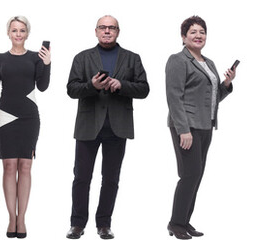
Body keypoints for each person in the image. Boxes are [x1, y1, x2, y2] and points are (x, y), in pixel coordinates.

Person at [65, 15, 150, 240]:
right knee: (81, 177)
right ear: (95, 31)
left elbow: (144, 89)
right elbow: (71, 89)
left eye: (111, 28)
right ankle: (77, 224)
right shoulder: (82, 58)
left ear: (118, 32)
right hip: (88, 125)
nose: (107, 31)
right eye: (103, 27)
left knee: (111, 178)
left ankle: (104, 224)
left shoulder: (132, 58)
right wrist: (91, 86)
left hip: (117, 126)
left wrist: (122, 85)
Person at [165, 15, 236, 240]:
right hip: (186, 126)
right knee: (189, 174)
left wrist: (225, 84)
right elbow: (174, 97)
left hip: (206, 125)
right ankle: (175, 223)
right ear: (184, 37)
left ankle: (184, 222)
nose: (198, 36)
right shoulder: (178, 60)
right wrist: (183, 130)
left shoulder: (210, 63)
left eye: (202, 32)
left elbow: (212, 98)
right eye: (193, 32)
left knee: (197, 175)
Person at [0, 15, 50, 239]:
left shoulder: (36, 58)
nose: (18, 34)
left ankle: (22, 219)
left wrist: (47, 64)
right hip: (4, 116)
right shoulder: (0, 58)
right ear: (8, 33)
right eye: (14, 30)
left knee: (26, 167)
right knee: (9, 166)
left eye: (22, 30)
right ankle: (12, 217)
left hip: (29, 117)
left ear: (27, 33)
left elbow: (42, 86)